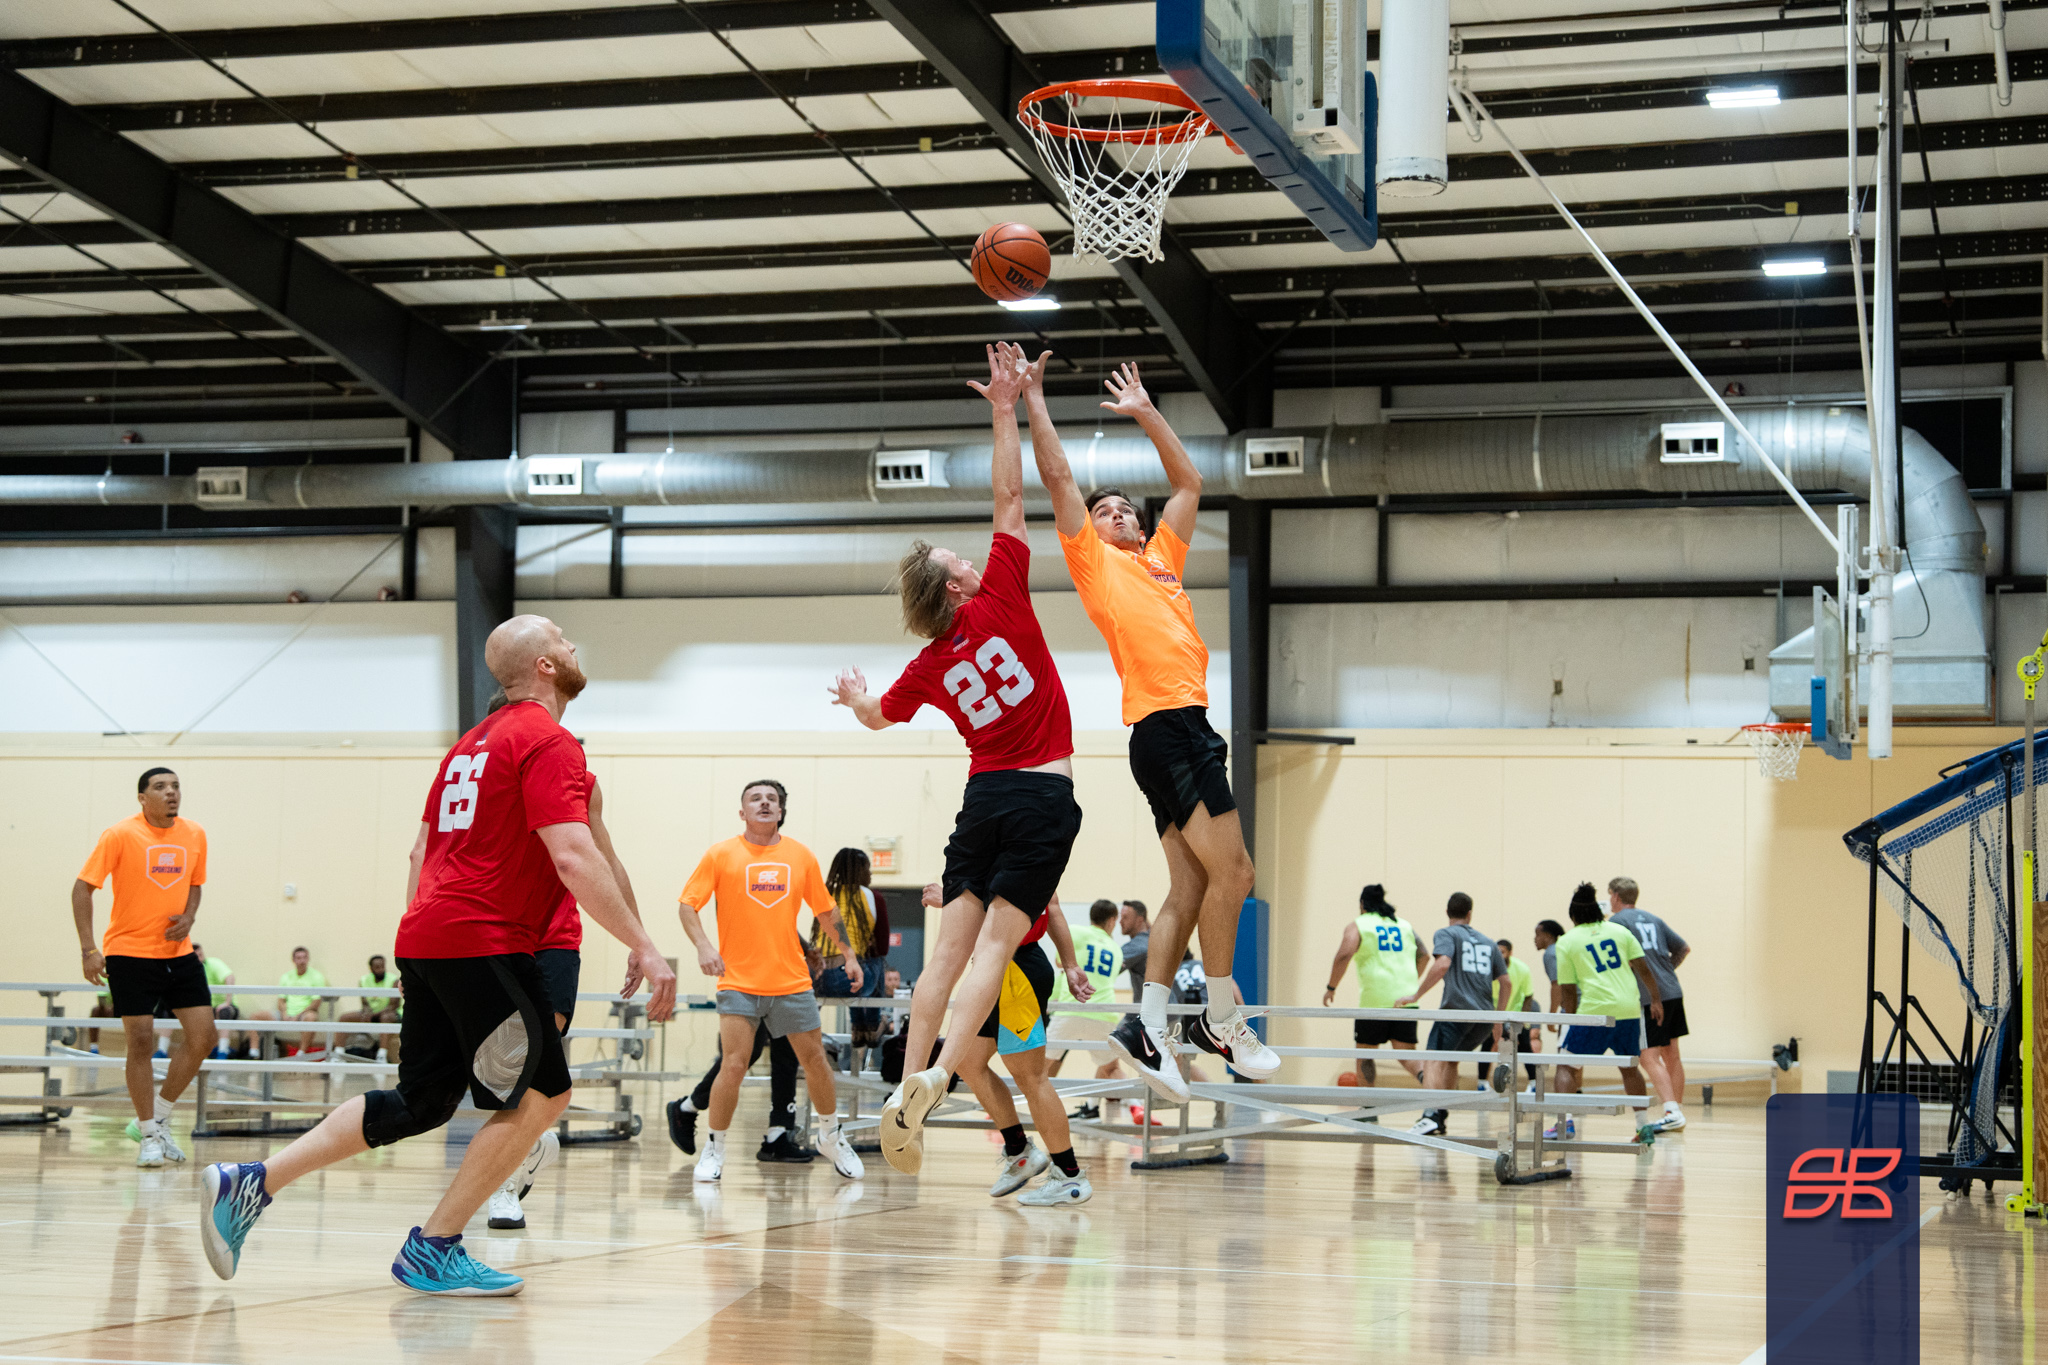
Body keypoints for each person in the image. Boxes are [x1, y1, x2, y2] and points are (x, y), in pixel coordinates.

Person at [197, 614, 677, 1298]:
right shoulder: (547, 740)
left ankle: (253, 1182)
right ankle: (435, 1246)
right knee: (546, 1093)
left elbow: (423, 851)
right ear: (545, 666)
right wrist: (645, 946)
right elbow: (574, 855)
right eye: (561, 639)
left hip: (428, 935)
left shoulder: (467, 748)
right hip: (484, 938)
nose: (572, 644)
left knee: (421, 1100)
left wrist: (420, 936)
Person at [829, 342, 1085, 1176]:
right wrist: (1005, 408)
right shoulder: (1001, 592)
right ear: (958, 588)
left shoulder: (928, 663)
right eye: (957, 561)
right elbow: (1010, 494)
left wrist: (854, 698)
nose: (970, 558)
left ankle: (909, 1084)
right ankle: (939, 1076)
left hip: (982, 800)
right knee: (994, 952)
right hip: (1040, 796)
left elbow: (876, 718)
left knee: (944, 956)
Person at [1022, 353, 1279, 1096]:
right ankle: (1220, 1017)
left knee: (1191, 889)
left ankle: (1149, 1024)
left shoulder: (1161, 558)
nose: (1118, 516)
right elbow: (1059, 480)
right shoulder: (1095, 565)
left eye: (1125, 510)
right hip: (1168, 727)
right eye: (1105, 512)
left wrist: (1146, 411)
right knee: (1238, 873)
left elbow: (1190, 483)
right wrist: (1034, 399)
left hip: (1179, 729)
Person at [674, 778, 866, 1183]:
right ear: (742, 811)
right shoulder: (720, 854)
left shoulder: (800, 856)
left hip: (791, 982)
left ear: (781, 811)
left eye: (772, 799)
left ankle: (831, 1136)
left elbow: (826, 912)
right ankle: (715, 1148)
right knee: (733, 1066)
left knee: (815, 1062)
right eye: (755, 798)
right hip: (738, 981)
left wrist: (848, 954)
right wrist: (704, 946)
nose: (764, 803)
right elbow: (688, 905)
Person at [489, 769, 645, 1230]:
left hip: (553, 940)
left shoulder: (579, 782)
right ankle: (530, 1142)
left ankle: (504, 1182)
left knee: (528, 1054)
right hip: (491, 934)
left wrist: (638, 940)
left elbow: (607, 861)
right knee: (497, 1063)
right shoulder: (480, 774)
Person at [72, 766, 216, 1168]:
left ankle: (159, 1118)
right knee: (140, 1041)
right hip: (129, 952)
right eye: (160, 787)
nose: (171, 792)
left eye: (176, 786)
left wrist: (189, 916)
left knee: (203, 1037)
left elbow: (195, 883)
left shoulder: (195, 833)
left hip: (178, 952)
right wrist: (88, 949)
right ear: (142, 798)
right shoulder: (119, 834)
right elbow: (82, 888)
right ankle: (149, 1134)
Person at [925, 883, 1094, 1205]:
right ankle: (1019, 1151)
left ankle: (1069, 1176)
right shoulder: (1024, 858)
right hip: (995, 968)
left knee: (1032, 1078)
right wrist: (1070, 964)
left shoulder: (1016, 860)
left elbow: (1040, 907)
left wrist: (951, 900)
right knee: (968, 1062)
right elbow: (1053, 907)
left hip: (1016, 970)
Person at [1549, 882, 1664, 1142]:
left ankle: (1564, 1123)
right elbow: (1644, 969)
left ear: (1574, 916)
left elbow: (1568, 991)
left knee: (1566, 1065)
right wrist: (1656, 1000)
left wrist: (1568, 1020)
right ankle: (1643, 1127)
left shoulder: (1567, 942)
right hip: (1628, 1009)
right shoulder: (1620, 931)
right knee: (1630, 1067)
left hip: (1595, 1011)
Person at [1397, 893, 1509, 1138]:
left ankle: (1429, 1115)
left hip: (1456, 1012)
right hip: (1484, 1018)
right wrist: (1498, 1019)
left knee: (1433, 1060)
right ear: (1470, 914)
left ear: (1447, 912)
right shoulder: (1489, 942)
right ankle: (1440, 1117)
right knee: (1450, 1061)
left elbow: (1442, 964)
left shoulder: (1446, 934)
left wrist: (1416, 995)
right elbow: (1506, 982)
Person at [1606, 877, 1691, 1132]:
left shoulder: (1617, 922)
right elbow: (1683, 948)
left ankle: (1671, 1111)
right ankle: (1676, 1111)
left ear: (1616, 896)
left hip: (1649, 996)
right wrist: (1665, 970)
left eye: (1610, 895)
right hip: (1673, 990)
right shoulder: (1653, 919)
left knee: (1648, 1056)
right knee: (1671, 1054)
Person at [1323, 884, 1426, 1086]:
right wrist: (1410, 983)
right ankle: (1428, 1080)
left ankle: (1367, 1102)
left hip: (1374, 1001)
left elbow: (1344, 955)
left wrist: (1331, 988)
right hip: (1405, 1000)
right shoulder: (1404, 925)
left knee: (1365, 1053)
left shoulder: (1359, 925)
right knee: (1406, 1053)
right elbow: (1424, 954)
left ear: (1362, 904)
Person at [1046, 900, 1124, 1120]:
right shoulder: (1116, 949)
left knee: (1040, 1069)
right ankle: (1137, 1106)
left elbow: (1060, 963)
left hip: (1071, 1009)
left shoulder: (1075, 932)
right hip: (1104, 1012)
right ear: (1112, 921)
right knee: (1111, 1068)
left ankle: (1039, 1113)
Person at [817, 848, 890, 1047]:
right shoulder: (872, 896)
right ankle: (871, 1025)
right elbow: (882, 947)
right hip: (850, 981)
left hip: (818, 979)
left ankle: (858, 1027)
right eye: (868, 869)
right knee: (871, 960)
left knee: (856, 964)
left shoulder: (825, 894)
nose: (871, 874)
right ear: (859, 871)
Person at [262, 947, 329, 1056]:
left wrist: (297, 1016)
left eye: (304, 958)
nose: (302, 961)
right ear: (293, 960)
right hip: (286, 1013)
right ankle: (254, 1053)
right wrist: (284, 1013)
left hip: (304, 1013)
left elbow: (316, 1002)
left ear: (308, 959)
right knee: (257, 1016)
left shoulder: (317, 976)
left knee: (311, 1017)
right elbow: (281, 1000)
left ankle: (301, 1053)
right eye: (299, 958)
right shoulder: (286, 976)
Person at [1492, 939, 1542, 1087]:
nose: (1499, 955)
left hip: (1516, 1015)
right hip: (1494, 1015)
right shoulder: (1489, 969)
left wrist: (1522, 1021)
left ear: (1510, 953)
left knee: (1527, 1045)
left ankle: (1533, 1083)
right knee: (1489, 1044)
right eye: (1497, 952)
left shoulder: (1522, 969)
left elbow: (1528, 996)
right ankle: (1482, 1082)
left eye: (1502, 952)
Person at [338, 954, 402, 1059]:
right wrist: (367, 1013)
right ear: (371, 968)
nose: (381, 969)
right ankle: (338, 1053)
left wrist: (374, 1015)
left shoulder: (394, 980)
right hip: (371, 1013)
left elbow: (393, 1005)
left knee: (386, 1018)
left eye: (382, 966)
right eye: (377, 967)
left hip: (389, 1014)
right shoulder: (364, 980)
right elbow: (364, 1003)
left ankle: (381, 1055)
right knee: (344, 1018)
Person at [192, 942, 241, 1058]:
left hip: (225, 1007)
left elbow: (230, 977)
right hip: (205, 1008)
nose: (199, 956)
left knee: (224, 1012)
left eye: (200, 954)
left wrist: (227, 1002)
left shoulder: (213, 963)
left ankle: (222, 1051)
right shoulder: (190, 969)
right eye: (196, 955)